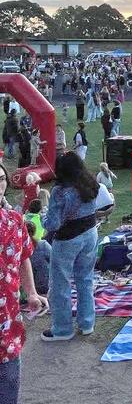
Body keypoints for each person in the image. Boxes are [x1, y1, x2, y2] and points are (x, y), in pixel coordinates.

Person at [0, 162, 46, 404]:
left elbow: (24, 257)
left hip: (7, 314)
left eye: (1, 179)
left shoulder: (14, 220)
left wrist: (32, 293)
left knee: (9, 378)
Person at [41, 151, 99, 341]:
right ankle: (87, 322)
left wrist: (43, 217)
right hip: (91, 234)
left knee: (60, 285)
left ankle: (62, 330)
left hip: (68, 240)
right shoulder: (89, 184)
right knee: (85, 279)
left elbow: (53, 225)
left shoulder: (59, 191)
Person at [25, 220, 51, 295]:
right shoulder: (43, 245)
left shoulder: (16, 248)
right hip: (44, 285)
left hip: (27, 289)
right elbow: (55, 261)